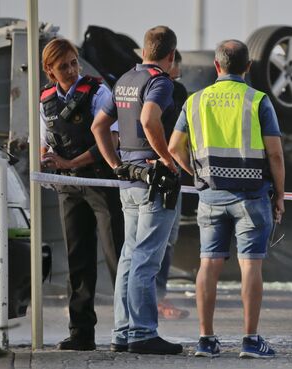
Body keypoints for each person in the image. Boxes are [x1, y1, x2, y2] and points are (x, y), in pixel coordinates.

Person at [168, 39, 285, 359]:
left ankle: (206, 340)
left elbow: (173, 146)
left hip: (211, 195)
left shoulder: (195, 101)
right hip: (251, 196)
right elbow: (274, 153)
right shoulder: (258, 100)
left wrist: (196, 173)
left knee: (208, 263)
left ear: (216, 66)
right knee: (251, 266)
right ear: (248, 68)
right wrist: (280, 195)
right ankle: (250, 340)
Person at [91, 25, 182, 355]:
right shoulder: (160, 81)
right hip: (153, 180)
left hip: (128, 179)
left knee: (129, 256)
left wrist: (115, 163)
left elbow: (98, 126)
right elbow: (149, 119)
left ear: (143, 51)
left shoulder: (124, 80)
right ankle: (143, 332)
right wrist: (166, 159)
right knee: (146, 258)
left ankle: (122, 331)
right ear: (170, 55)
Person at [39, 38, 124, 351]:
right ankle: (81, 333)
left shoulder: (98, 91)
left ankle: (128, 328)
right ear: (50, 70)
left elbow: (111, 138)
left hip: (101, 183)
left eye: (74, 62)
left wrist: (70, 162)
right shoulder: (45, 99)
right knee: (78, 261)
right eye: (64, 66)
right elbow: (44, 140)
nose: (72, 69)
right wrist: (46, 157)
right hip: (69, 188)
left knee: (116, 256)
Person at [155, 50, 189, 320]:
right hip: (166, 171)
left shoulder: (136, 82)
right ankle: (157, 298)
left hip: (148, 171)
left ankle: (156, 296)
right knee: (163, 237)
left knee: (164, 237)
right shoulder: (175, 90)